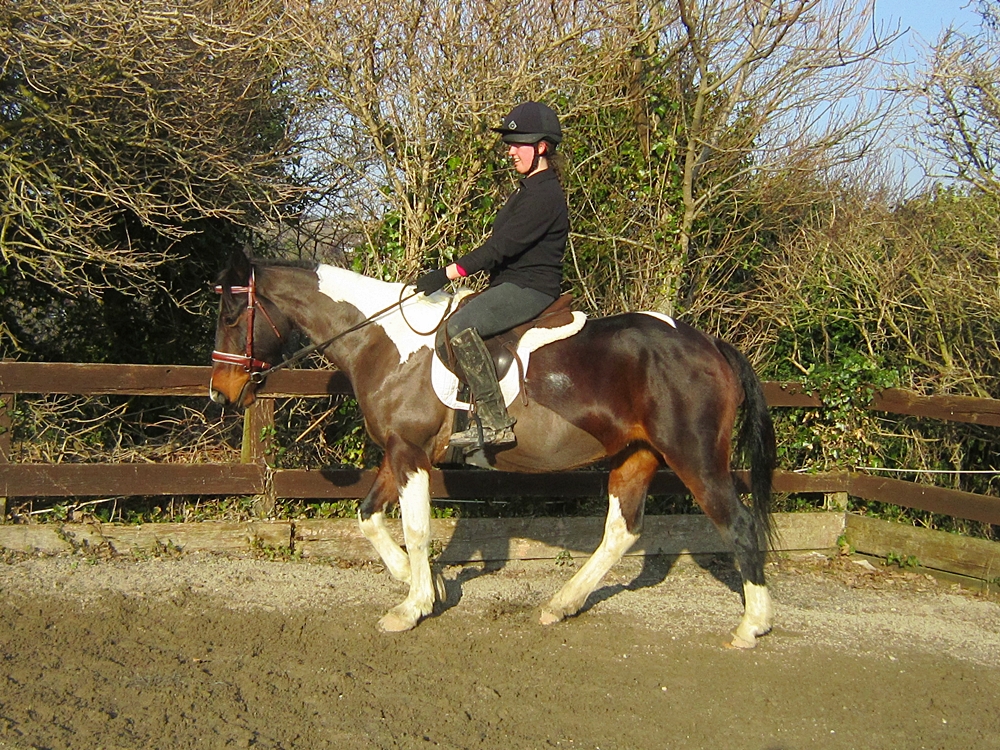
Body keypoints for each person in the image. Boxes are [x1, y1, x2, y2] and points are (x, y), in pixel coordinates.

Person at [414, 101, 569, 449]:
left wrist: (447, 273)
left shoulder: (544, 195)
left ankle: (495, 422)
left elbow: (500, 248)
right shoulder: (528, 189)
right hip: (511, 283)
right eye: (510, 145)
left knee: (458, 328)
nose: (510, 152)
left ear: (541, 147)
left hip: (529, 288)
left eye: (518, 144)